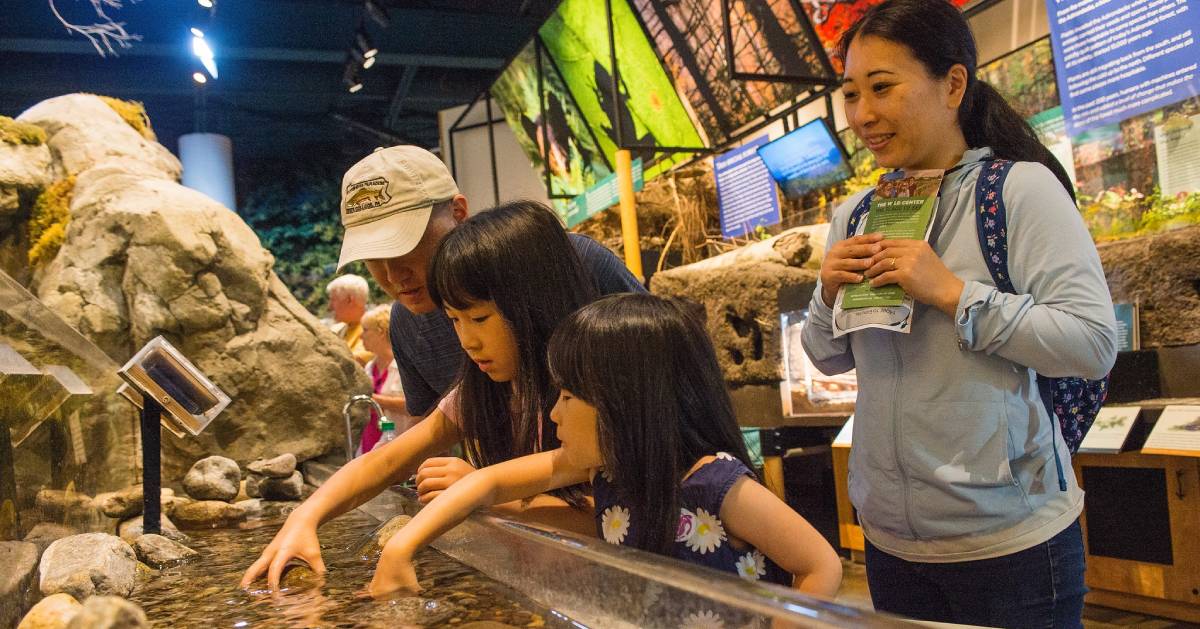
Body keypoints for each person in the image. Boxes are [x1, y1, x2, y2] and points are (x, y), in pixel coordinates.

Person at [801, 1, 1117, 626]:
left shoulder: (1019, 191)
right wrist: (827, 295)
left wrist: (953, 294)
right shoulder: (856, 214)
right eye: (851, 94)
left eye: (882, 88)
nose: (863, 115)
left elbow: (1091, 342)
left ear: (952, 84)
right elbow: (826, 353)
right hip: (890, 545)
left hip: (1012, 546)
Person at [242, 193, 639, 591]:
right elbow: (389, 461)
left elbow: (609, 516)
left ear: (534, 302)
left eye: (479, 318)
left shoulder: (589, 394)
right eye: (454, 321)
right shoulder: (485, 386)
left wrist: (479, 492)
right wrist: (305, 516)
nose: (468, 341)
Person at [367, 294, 843, 599]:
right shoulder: (604, 468)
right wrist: (402, 547)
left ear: (629, 405)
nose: (554, 414)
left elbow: (819, 564)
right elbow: (489, 482)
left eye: (570, 397)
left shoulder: (717, 487)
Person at [356, 304, 413, 455]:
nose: (361, 336)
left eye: (366, 330)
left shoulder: (405, 365)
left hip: (400, 446)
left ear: (381, 332)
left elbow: (416, 406)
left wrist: (374, 400)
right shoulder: (370, 367)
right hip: (369, 442)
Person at [326, 274, 373, 366]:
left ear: (349, 300)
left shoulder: (376, 329)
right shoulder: (337, 330)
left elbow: (355, 362)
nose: (329, 307)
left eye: (333, 300)